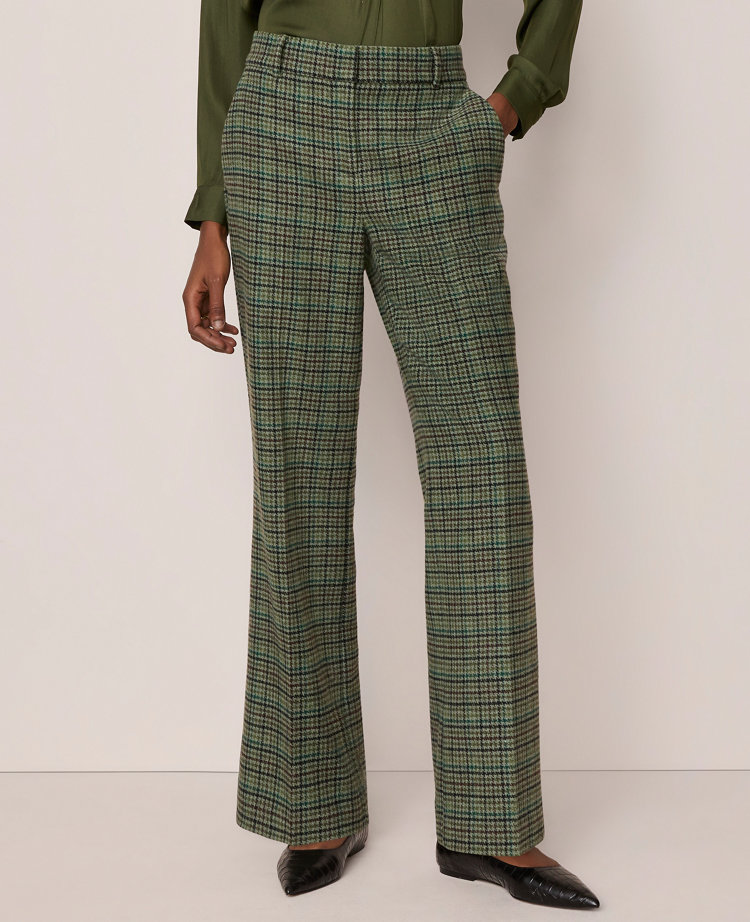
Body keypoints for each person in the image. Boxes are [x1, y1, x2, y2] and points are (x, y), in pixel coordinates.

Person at [182, 0, 599, 910]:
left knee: (481, 467)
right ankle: (315, 806)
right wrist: (213, 215)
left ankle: (493, 823)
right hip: (281, 124)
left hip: (432, 121)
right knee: (298, 472)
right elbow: (224, 15)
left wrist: (514, 97)